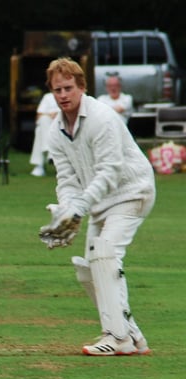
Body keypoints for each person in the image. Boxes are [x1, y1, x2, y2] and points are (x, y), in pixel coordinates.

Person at [38, 58, 155, 356]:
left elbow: (110, 171)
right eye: (57, 90)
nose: (62, 95)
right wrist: (67, 212)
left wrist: (80, 208)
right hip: (101, 202)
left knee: (106, 255)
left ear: (82, 87)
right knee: (90, 270)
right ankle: (132, 335)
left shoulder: (102, 118)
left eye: (68, 88)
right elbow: (66, 179)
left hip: (132, 191)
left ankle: (116, 337)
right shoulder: (56, 130)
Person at [29, 92, 60, 177]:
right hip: (48, 126)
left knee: (39, 131)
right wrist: (49, 115)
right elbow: (38, 116)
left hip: (63, 125)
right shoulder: (48, 97)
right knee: (43, 120)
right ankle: (50, 152)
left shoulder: (70, 95)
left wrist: (58, 114)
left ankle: (39, 165)